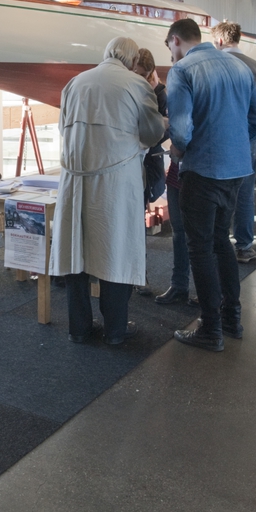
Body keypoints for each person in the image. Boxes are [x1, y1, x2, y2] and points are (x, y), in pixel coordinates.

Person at [164, 19, 256, 352]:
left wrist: (177, 151)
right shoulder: (239, 67)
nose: (171, 54)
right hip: (236, 171)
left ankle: (210, 328)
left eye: (169, 48)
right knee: (222, 241)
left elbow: (181, 131)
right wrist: (235, 144)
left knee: (199, 248)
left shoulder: (182, 70)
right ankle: (231, 319)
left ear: (175, 40)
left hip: (203, 171)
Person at [52, 37, 166, 346]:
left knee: (75, 251)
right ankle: (115, 330)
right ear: (133, 61)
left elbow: (63, 129)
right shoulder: (136, 84)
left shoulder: (75, 83)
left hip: (75, 180)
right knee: (116, 249)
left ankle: (78, 328)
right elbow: (152, 132)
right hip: (116, 179)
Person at [210, 21, 256, 265]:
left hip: (216, 142)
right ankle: (244, 246)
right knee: (245, 195)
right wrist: (255, 142)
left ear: (219, 41)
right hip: (246, 142)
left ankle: (217, 245)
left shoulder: (212, 65)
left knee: (215, 195)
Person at [134, 49, 192, 304]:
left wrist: (156, 134)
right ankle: (172, 284)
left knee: (189, 232)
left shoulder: (162, 92)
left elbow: (173, 130)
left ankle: (144, 276)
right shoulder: (142, 90)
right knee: (180, 231)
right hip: (153, 164)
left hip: (157, 163)